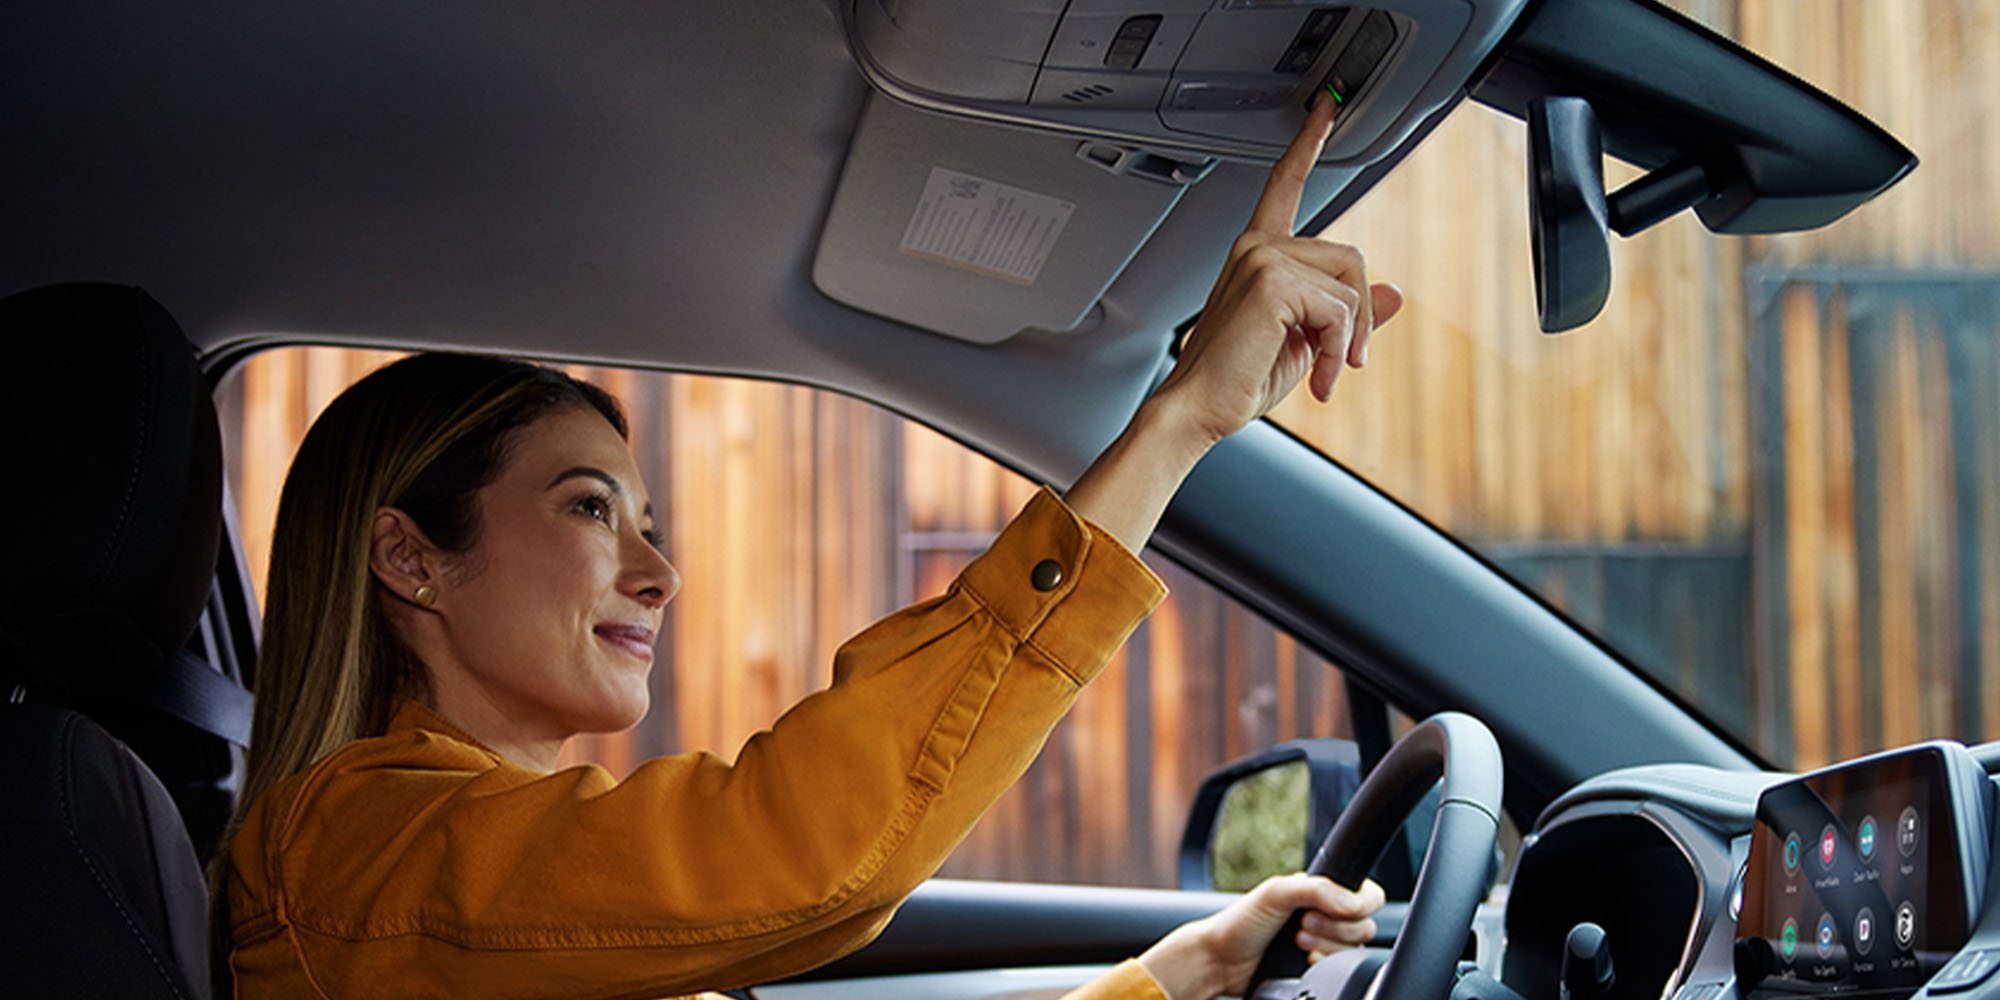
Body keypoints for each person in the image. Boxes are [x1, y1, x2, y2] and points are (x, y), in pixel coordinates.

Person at [213, 91, 1403, 999]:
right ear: (408, 558)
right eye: (588, 508)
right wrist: (1180, 415)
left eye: (648, 524)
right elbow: (799, 852)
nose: (660, 573)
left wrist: (1170, 977)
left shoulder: (484, 849)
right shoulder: (350, 856)